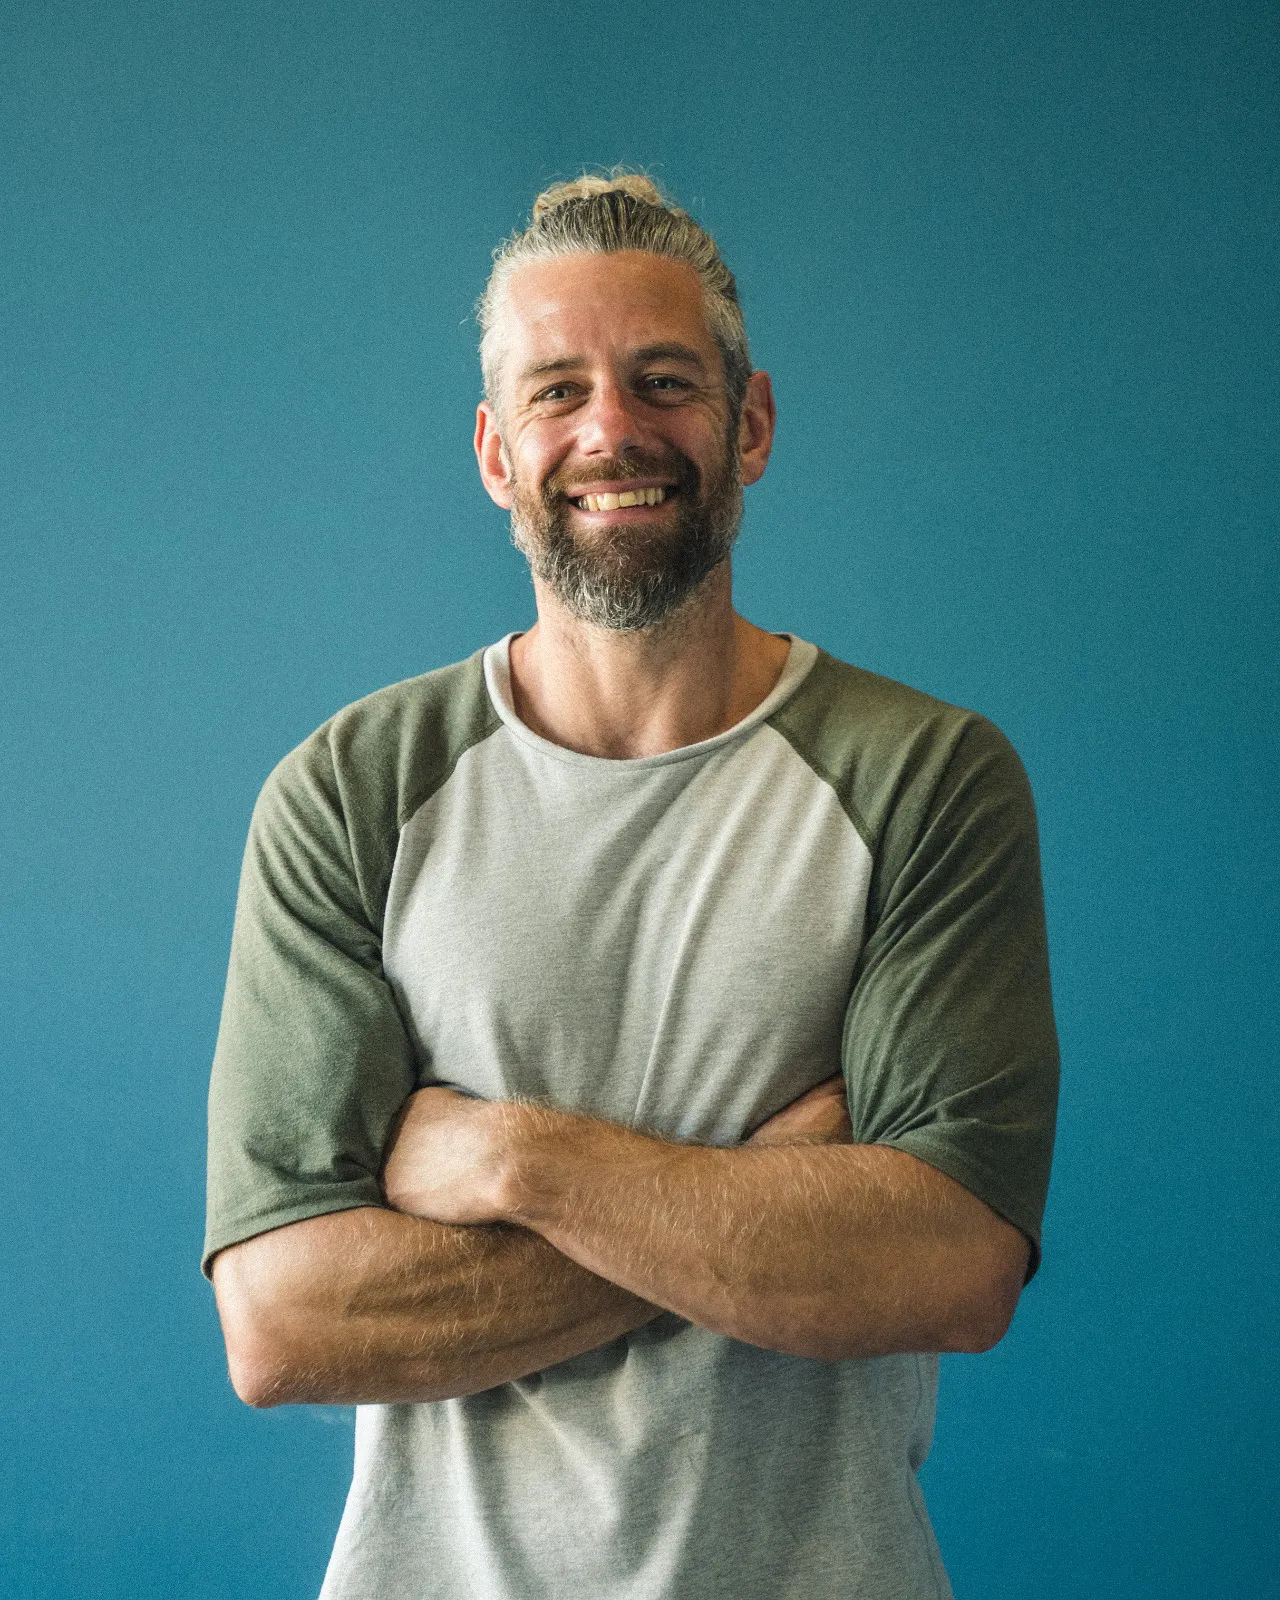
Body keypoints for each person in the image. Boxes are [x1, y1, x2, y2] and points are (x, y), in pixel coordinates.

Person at [204, 172, 1058, 1600]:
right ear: (496, 452)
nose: (611, 430)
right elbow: (285, 1324)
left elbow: (950, 1266)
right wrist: (768, 1189)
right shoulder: (352, 793)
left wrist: (514, 1162)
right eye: (558, 392)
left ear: (751, 425)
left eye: (664, 382)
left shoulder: (924, 778)